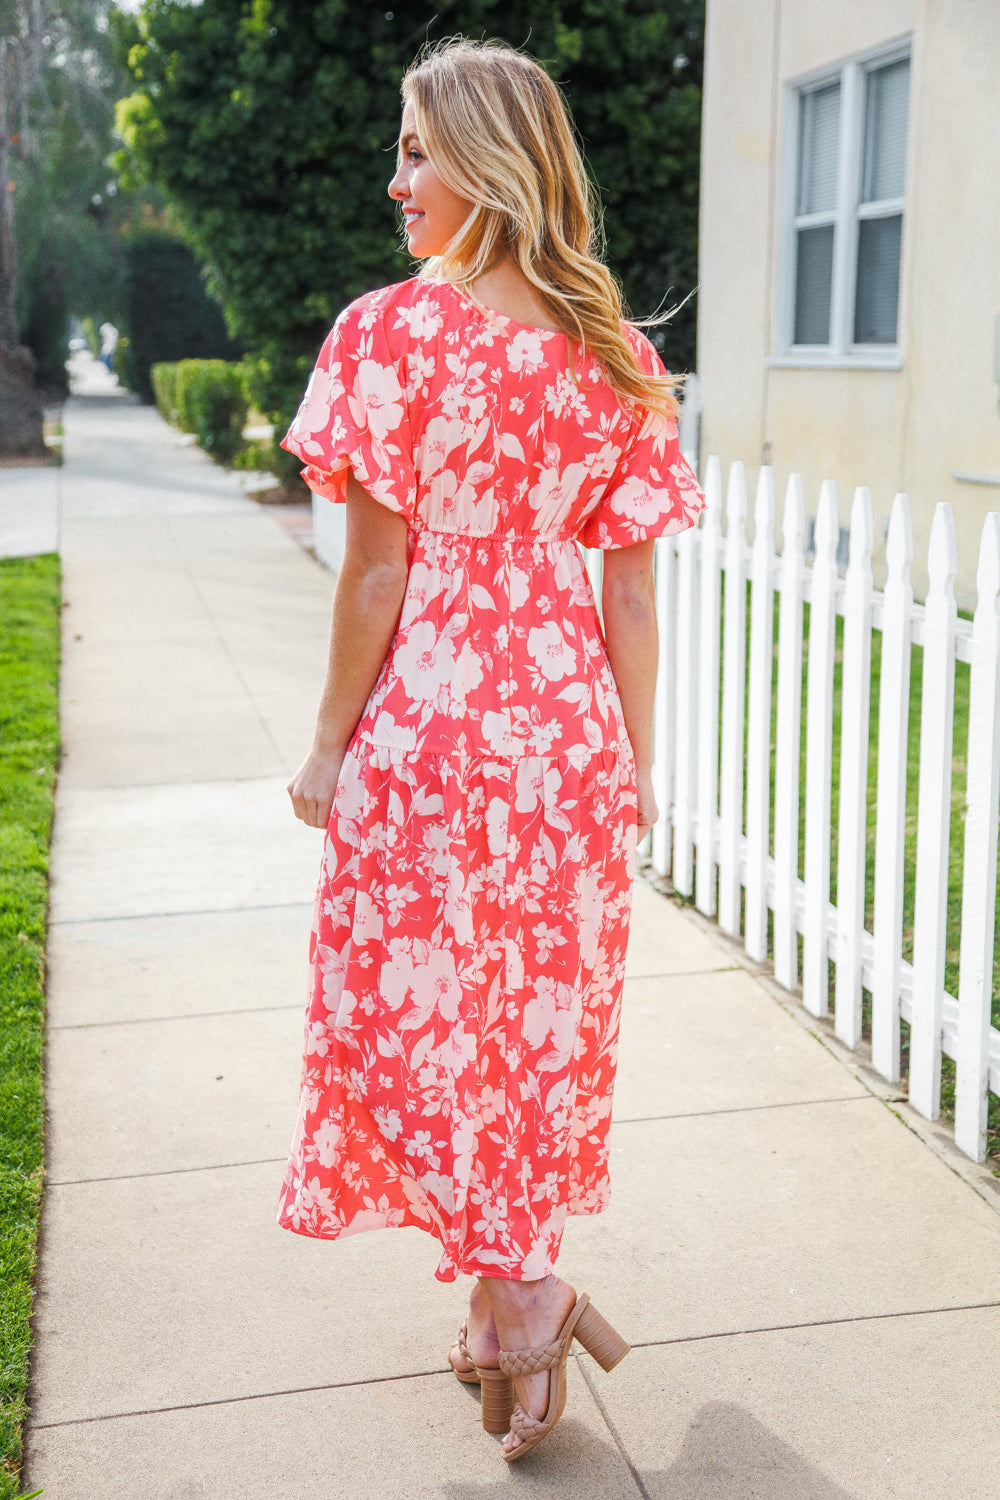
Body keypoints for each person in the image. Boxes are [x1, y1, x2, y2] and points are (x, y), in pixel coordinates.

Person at [279, 38, 705, 1462]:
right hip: (564, 739)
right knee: (524, 1025)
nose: (395, 178)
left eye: (417, 150)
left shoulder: (387, 339)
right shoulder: (616, 358)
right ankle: (517, 1299)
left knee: (422, 1025)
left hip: (431, 733)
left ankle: (523, 1299)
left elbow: (374, 581)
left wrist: (328, 746)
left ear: (491, 162)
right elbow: (630, 595)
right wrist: (636, 764)